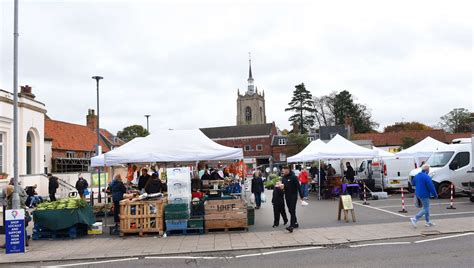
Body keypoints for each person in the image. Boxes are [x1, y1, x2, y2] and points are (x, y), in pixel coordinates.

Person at [281, 165, 304, 232]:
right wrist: (281, 188)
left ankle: (291, 226)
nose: (285, 171)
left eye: (286, 169)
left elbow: (298, 187)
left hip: (293, 196)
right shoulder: (283, 178)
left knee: (292, 210)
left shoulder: (294, 177)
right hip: (287, 196)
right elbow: (283, 187)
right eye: (284, 170)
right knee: (290, 210)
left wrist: (301, 196)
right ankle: (295, 223)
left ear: (289, 170)